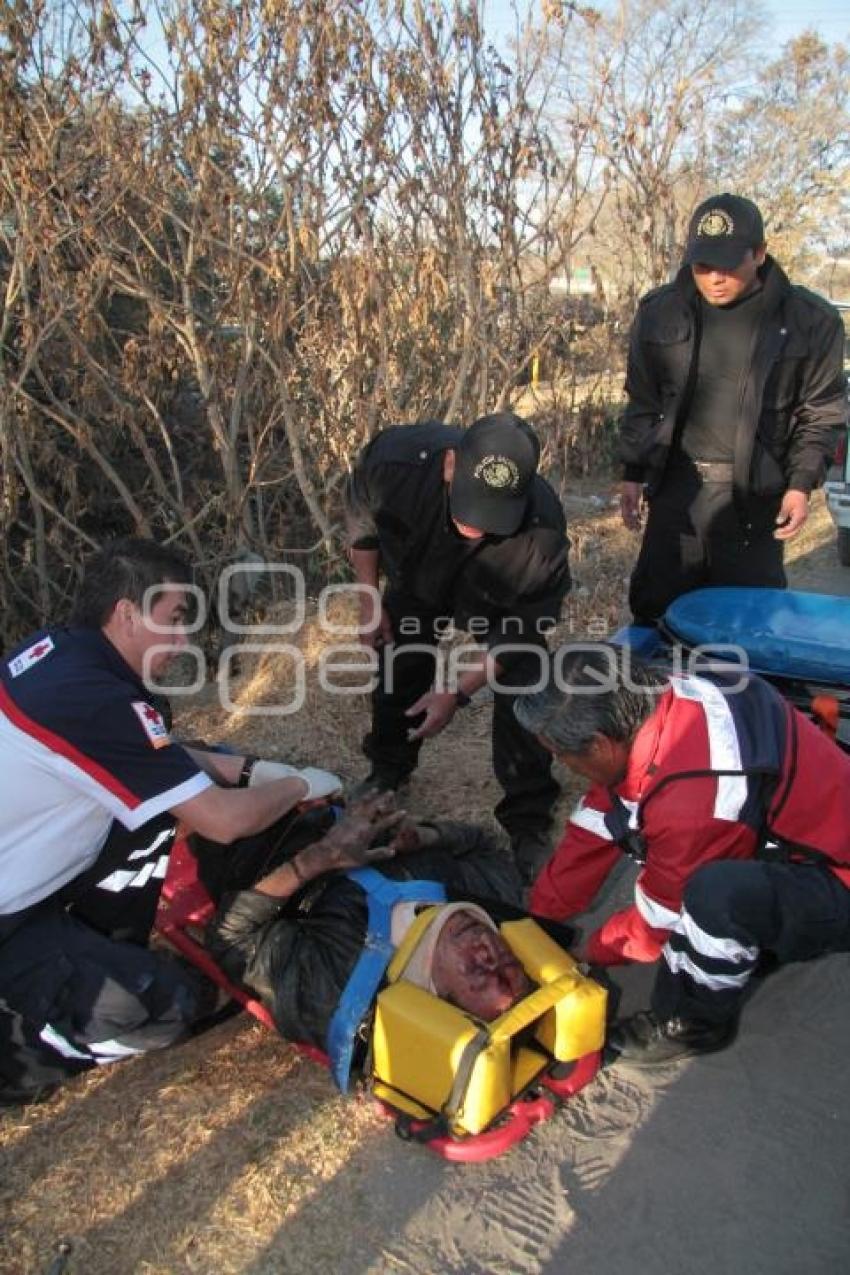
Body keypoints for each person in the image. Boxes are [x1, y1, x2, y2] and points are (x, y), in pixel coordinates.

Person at [0, 537, 342, 1105]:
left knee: (167, 799)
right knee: (169, 1007)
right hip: (11, 923)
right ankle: (25, 1052)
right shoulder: (96, 700)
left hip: (29, 872)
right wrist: (298, 784)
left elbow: (159, 755)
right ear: (127, 612)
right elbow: (224, 823)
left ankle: (97, 938)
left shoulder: (60, 656)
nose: (184, 640)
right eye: (175, 619)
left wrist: (250, 767)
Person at [513, 643, 850, 1065]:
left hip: (838, 874)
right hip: (803, 819)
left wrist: (586, 953)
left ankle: (693, 1022)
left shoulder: (693, 802)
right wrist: (541, 919)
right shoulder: (660, 701)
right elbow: (604, 814)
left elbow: (658, 921)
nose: (557, 761)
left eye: (558, 752)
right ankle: (760, 929)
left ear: (598, 745)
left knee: (713, 898)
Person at [344, 411, 571, 882]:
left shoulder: (543, 532)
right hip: (416, 573)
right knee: (399, 660)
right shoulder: (397, 463)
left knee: (528, 675)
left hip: (494, 597)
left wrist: (458, 692)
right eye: (469, 504)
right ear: (450, 465)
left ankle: (528, 819)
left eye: (493, 515)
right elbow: (363, 523)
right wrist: (368, 597)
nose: (478, 524)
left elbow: (523, 629)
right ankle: (389, 768)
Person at [619, 192, 847, 624]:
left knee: (746, 628)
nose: (714, 279)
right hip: (675, 494)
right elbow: (643, 401)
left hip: (753, 502)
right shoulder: (660, 311)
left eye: (728, 265)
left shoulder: (809, 322)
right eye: (703, 266)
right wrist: (632, 473)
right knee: (656, 616)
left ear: (759, 254)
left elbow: (822, 414)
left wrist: (800, 484)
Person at [205, 790, 539, 1075]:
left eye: (479, 971)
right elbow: (483, 844)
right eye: (508, 960)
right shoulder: (491, 898)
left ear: (443, 1007)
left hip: (247, 843)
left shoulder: (339, 990)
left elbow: (230, 939)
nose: (487, 949)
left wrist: (316, 858)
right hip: (325, 803)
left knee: (181, 766)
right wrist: (424, 836)